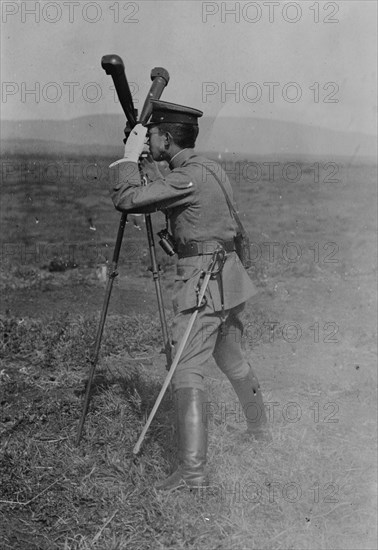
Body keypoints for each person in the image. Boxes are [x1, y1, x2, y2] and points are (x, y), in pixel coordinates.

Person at [109, 100, 270, 491]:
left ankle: (193, 473)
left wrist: (128, 159)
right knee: (232, 358)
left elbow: (127, 200)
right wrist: (150, 166)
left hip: (203, 281)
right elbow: (174, 193)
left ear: (166, 138)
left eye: (152, 135)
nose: (149, 138)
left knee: (186, 369)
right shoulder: (207, 168)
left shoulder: (186, 179)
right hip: (227, 279)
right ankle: (260, 431)